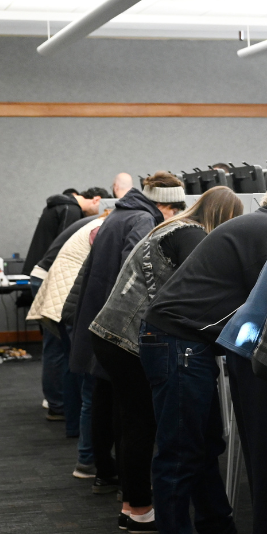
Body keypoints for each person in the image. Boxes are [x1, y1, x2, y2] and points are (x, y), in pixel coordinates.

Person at [138, 172, 267, 534]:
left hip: (179, 338)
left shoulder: (260, 224)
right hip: (178, 340)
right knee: (181, 449)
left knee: (202, 445)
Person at [90, 184, 241, 534]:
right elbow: (203, 288)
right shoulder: (191, 235)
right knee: (143, 425)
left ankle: (133, 505)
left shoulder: (170, 227)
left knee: (133, 422)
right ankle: (140, 508)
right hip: (128, 338)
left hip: (109, 332)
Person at [70, 173, 182, 496]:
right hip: (117, 324)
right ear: (166, 205)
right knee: (126, 409)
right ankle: (125, 481)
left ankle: (104, 470)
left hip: (98, 316)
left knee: (105, 399)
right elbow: (139, 274)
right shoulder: (144, 220)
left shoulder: (120, 212)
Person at [28, 208, 109, 478]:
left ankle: (71, 425)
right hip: (66, 296)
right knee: (84, 376)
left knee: (71, 363)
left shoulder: (101, 222)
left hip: (60, 291)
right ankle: (85, 455)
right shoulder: (106, 228)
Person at [24, 188, 107, 422]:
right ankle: (58, 403)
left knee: (58, 347)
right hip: (54, 277)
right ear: (97, 200)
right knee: (61, 347)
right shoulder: (73, 211)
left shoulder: (66, 209)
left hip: (45, 273)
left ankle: (57, 403)